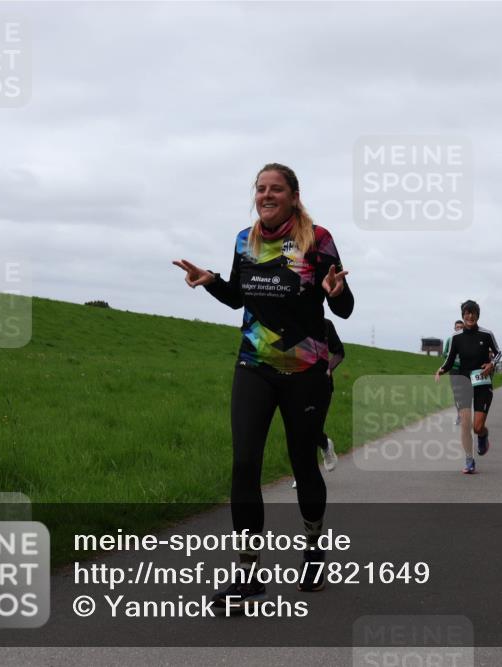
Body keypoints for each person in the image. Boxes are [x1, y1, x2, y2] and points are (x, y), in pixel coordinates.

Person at [173, 162, 352, 604]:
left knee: (302, 463)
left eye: (276, 189)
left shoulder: (318, 240)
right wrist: (211, 281)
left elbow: (344, 308)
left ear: (293, 195)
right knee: (245, 465)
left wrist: (335, 292)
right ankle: (248, 575)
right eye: (260, 189)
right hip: (253, 365)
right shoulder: (244, 240)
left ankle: (313, 550)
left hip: (306, 371)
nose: (266, 195)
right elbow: (240, 296)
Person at [435, 300, 501, 474]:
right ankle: (469, 460)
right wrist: (441, 370)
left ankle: (483, 435)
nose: (470, 316)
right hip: (464, 382)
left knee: (477, 427)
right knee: (465, 424)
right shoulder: (456, 337)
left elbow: (498, 352)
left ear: (477, 315)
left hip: (482, 383)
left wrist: (491, 364)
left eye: (473, 313)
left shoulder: (486, 334)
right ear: (463, 315)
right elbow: (449, 360)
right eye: (466, 313)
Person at [293, 318, 342, 488]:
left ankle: (325, 444)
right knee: (299, 429)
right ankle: (302, 474)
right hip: (296, 385)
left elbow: (339, 352)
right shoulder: (290, 322)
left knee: (313, 428)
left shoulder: (325, 324)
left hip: (321, 385)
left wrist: (329, 368)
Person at [444, 320, 464, 425]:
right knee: (457, 394)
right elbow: (445, 354)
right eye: (457, 327)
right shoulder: (450, 340)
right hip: (454, 370)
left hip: (466, 370)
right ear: (454, 328)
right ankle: (459, 414)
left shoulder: (468, 340)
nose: (459, 329)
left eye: (461, 327)